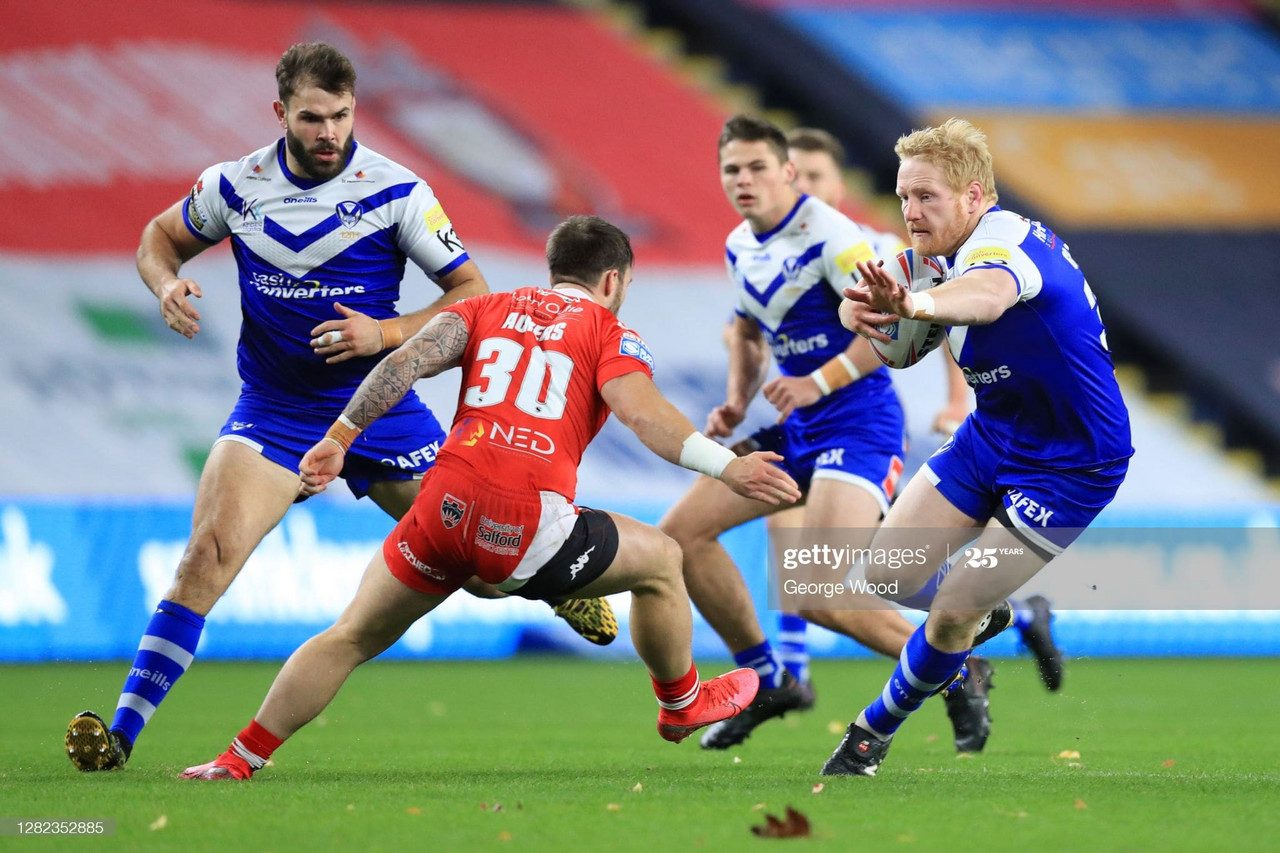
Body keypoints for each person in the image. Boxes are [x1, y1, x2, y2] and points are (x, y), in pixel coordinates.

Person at [64, 43, 613, 774]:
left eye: (342, 116)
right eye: (313, 117)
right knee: (204, 558)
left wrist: (381, 333)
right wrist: (164, 284)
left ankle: (556, 586)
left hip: (380, 407)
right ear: (281, 112)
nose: (329, 132)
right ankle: (122, 734)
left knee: (481, 571)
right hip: (277, 410)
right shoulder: (235, 185)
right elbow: (158, 238)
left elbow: (473, 297)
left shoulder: (397, 190)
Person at [177, 215, 803, 780]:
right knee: (664, 560)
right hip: (524, 521)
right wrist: (727, 467)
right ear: (612, 280)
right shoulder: (610, 331)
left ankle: (237, 759)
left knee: (349, 637)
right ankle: (681, 704)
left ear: (553, 269)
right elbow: (645, 418)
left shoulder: (487, 308)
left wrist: (341, 436)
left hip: (440, 509)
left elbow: (408, 362)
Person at [659, 114, 990, 754]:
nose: (744, 180)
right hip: (799, 427)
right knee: (680, 536)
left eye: (758, 167)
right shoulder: (740, 245)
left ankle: (957, 668)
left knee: (818, 596)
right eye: (733, 169)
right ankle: (768, 675)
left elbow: (892, 331)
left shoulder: (833, 237)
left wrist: (818, 381)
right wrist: (734, 400)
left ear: (787, 170)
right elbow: (752, 330)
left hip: (859, 422)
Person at [823, 118, 1132, 776]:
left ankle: (869, 734)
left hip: (1072, 463)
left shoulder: (1004, 243)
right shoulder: (929, 263)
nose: (910, 211)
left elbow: (987, 298)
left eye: (927, 196)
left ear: (976, 196)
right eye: (904, 195)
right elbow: (911, 342)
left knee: (952, 610)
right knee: (887, 573)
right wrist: (878, 316)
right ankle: (1010, 613)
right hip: (992, 436)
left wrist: (915, 303)